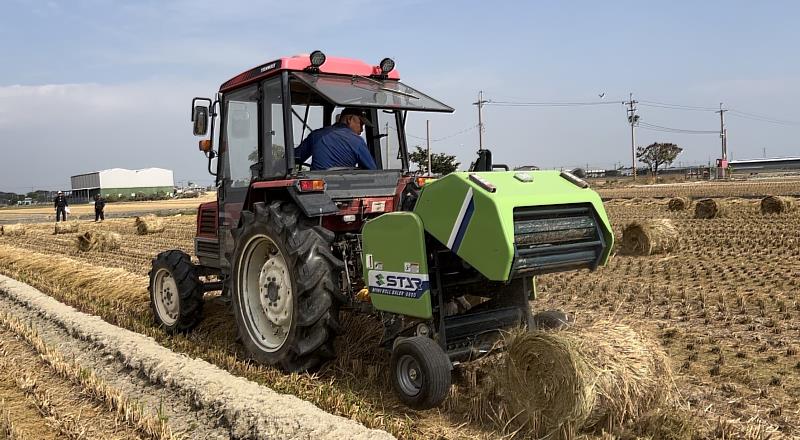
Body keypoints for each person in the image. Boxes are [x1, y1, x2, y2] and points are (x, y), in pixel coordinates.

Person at [294, 108, 377, 170]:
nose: (362, 130)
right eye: (361, 124)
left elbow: (296, 157)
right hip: (345, 186)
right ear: (349, 119)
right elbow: (372, 170)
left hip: (317, 187)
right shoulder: (358, 141)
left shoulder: (316, 135)